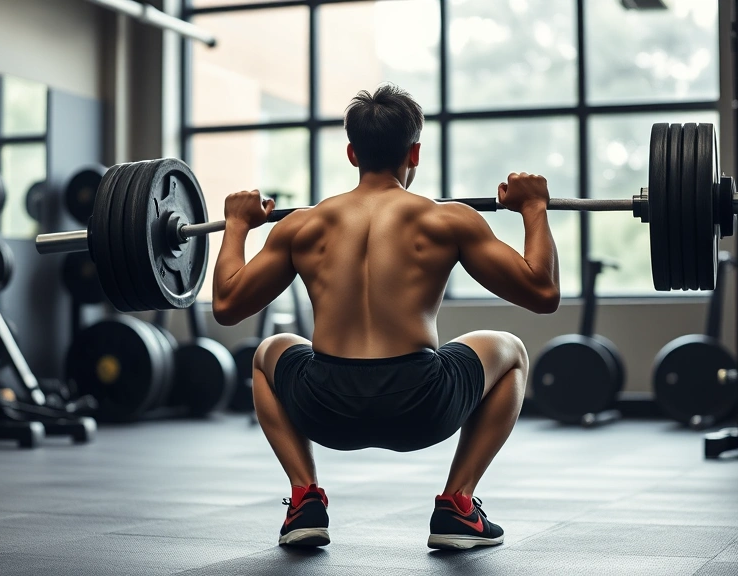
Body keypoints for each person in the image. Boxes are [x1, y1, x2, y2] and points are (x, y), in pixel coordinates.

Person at [212, 83, 560, 551]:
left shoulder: (302, 225)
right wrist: (534, 208)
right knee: (511, 351)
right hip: (421, 406)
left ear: (352, 153)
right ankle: (457, 504)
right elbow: (542, 292)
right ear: (414, 153)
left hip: (325, 406)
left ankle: (304, 498)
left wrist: (236, 226)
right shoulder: (447, 220)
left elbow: (227, 305)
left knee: (268, 352)